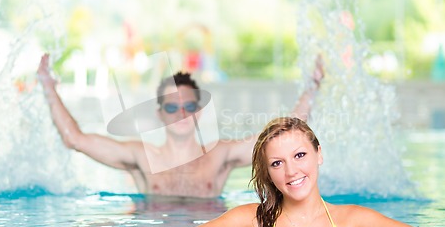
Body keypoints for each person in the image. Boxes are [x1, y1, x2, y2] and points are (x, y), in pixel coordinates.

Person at [37, 54, 323, 198]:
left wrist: (312, 87)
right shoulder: (141, 156)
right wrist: (48, 87)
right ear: (160, 114)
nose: (181, 114)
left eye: (188, 107)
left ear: (199, 113)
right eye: (172, 108)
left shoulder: (220, 154)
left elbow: (285, 134)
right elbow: (74, 139)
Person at [178, 117, 431, 227]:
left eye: (300, 155)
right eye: (277, 163)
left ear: (319, 154)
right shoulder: (254, 219)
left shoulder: (348, 220)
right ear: (268, 172)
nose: (291, 171)